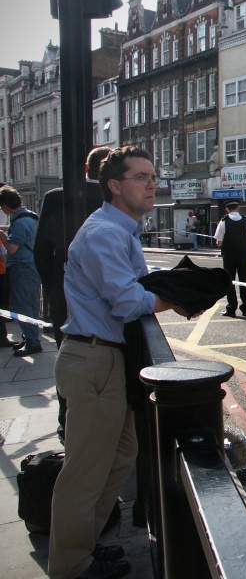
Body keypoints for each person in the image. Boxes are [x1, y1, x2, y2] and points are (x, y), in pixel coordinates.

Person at [48, 146, 188, 579]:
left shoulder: (121, 230)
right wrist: (181, 299)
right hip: (93, 360)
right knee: (85, 474)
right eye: (141, 177)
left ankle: (83, 547)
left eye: (152, 176)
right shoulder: (105, 233)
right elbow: (129, 301)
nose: (152, 184)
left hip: (106, 361)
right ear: (114, 185)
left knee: (121, 456)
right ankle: (70, 566)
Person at [34, 146, 109, 443]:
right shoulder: (114, 200)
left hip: (65, 295)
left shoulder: (54, 197)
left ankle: (68, 421)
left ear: (86, 168)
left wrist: (53, 288)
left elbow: (40, 253)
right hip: (105, 295)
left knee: (67, 355)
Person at [0, 185, 43, 357]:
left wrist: (2, 236)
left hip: (22, 268)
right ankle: (30, 337)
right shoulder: (30, 216)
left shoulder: (20, 222)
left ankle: (32, 342)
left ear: (5, 205)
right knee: (31, 305)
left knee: (22, 306)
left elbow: (12, 249)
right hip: (32, 266)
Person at [215, 200, 246, 317]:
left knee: (230, 281)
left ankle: (231, 308)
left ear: (227, 209)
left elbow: (219, 243)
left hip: (229, 255)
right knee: (245, 281)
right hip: (243, 255)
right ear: (238, 208)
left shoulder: (223, 222)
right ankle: (245, 308)